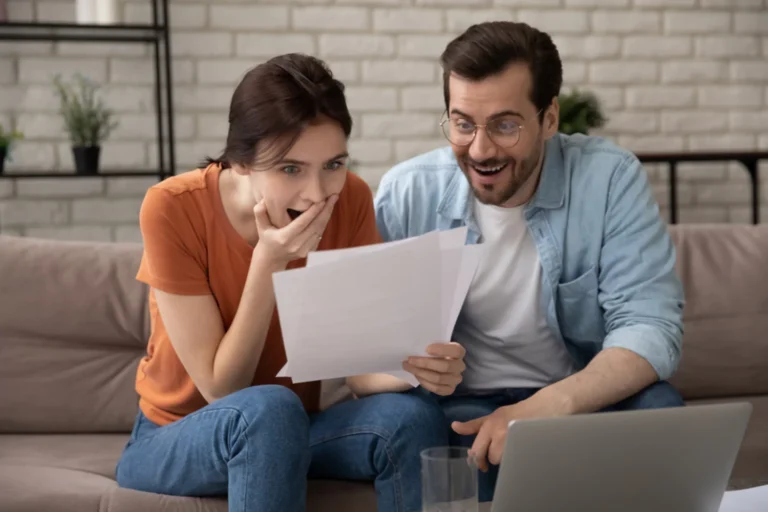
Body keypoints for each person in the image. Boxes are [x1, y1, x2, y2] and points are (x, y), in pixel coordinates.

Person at [114, 53, 466, 512]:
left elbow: (358, 368)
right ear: (241, 161)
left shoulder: (351, 198)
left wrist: (412, 367)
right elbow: (222, 388)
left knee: (410, 416)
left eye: (333, 165)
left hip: (295, 429)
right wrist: (268, 264)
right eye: (290, 169)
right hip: (176, 436)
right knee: (270, 410)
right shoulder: (172, 208)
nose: (318, 193)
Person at [371, 21, 686, 501]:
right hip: (458, 412)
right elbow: (368, 347)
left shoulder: (609, 180)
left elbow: (650, 327)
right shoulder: (407, 192)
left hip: (574, 400)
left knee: (661, 409)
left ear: (550, 118)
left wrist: (547, 406)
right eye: (463, 123)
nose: (480, 149)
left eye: (505, 125)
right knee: (405, 422)